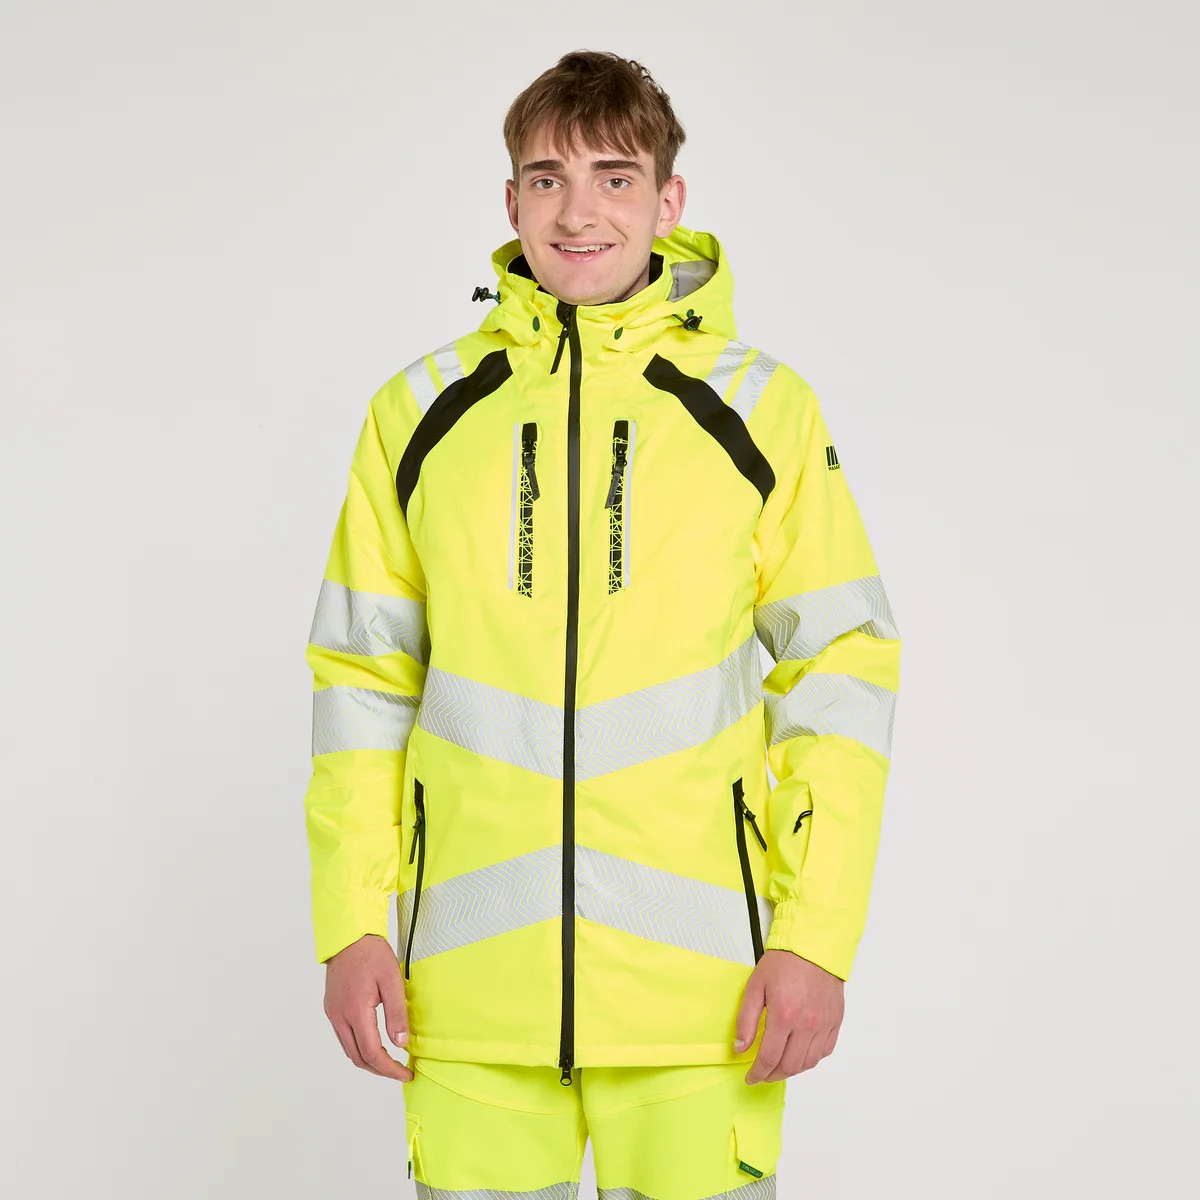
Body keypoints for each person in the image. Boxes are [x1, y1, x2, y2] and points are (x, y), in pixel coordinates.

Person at [301, 49, 901, 1198]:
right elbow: (362, 680)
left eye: (614, 178)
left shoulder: (761, 409)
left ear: (669, 201)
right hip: (466, 999)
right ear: (511, 201)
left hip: (705, 1004)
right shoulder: (418, 414)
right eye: (547, 179)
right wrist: (351, 920)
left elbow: (841, 672)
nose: (578, 212)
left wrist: (814, 938)